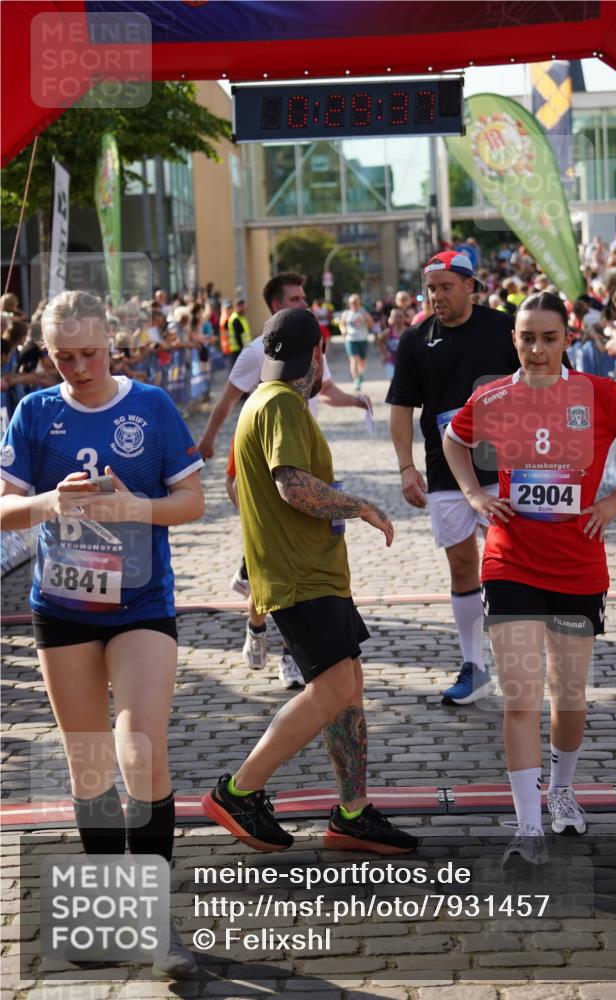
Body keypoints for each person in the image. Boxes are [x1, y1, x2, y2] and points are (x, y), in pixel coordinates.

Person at [0, 290, 205, 976]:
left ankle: (157, 925)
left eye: (88, 353)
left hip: (141, 602)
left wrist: (134, 506)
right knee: (89, 762)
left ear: (111, 342)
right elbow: (4, 512)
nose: (77, 367)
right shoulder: (35, 412)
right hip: (62, 606)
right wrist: (46, 503)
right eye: (61, 356)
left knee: (139, 748)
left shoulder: (150, 406)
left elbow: (193, 501)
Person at [443, 291, 616, 864]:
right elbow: (453, 439)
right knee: (521, 696)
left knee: (568, 699)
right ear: (513, 340)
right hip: (511, 561)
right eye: (526, 338)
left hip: (578, 567)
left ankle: (562, 791)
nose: (536, 349)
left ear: (567, 339)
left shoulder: (596, 394)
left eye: (548, 338)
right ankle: (527, 827)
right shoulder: (494, 396)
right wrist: (473, 494)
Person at [201, 307, 418, 856]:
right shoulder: (279, 405)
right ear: (319, 354)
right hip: (299, 574)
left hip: (312, 571)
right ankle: (238, 791)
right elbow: (292, 486)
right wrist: (360, 504)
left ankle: (352, 813)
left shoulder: (268, 400)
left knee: (348, 690)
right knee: (334, 689)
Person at [198, 272, 373, 689]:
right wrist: (205, 442)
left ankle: (282, 645)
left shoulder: (314, 347)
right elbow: (227, 402)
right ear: (276, 306)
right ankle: (263, 627)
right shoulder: (256, 357)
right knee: (266, 553)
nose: (303, 302)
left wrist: (355, 400)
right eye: (294, 298)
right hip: (261, 458)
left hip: (297, 453)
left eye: (304, 295)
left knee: (278, 556)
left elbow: (325, 389)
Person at [387, 250, 518, 705]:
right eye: (431, 288)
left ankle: (520, 659)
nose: (437, 296)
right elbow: (401, 407)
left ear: (469, 286)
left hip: (507, 466)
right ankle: (474, 667)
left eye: (446, 286)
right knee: (462, 564)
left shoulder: (506, 328)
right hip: (445, 470)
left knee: (512, 563)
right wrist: (406, 467)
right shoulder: (416, 338)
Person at [339, 293, 373, 390]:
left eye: (356, 302)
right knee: (354, 359)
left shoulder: (363, 312)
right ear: (349, 304)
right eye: (352, 303)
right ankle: (356, 381)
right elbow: (342, 324)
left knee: (362, 362)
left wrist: (367, 321)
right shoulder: (346, 313)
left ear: (359, 303)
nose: (354, 304)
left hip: (362, 339)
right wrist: (343, 331)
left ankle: (360, 375)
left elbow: (370, 324)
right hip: (351, 339)